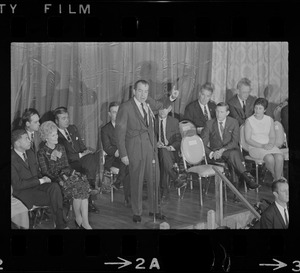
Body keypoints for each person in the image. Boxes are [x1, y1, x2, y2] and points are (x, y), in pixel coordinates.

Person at [115, 79, 179, 223]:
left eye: (146, 91)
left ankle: (154, 210)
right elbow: (119, 133)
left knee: (154, 179)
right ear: (134, 91)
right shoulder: (126, 107)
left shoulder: (148, 102)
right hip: (134, 149)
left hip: (151, 148)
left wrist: (172, 97)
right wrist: (123, 154)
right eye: (140, 91)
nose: (143, 94)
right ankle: (137, 212)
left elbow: (162, 104)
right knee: (136, 180)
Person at [37, 121, 92, 229]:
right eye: (53, 135)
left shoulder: (61, 147)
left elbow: (67, 166)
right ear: (46, 138)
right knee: (78, 189)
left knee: (83, 186)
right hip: (55, 181)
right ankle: (79, 219)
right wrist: (61, 177)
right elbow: (45, 172)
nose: (56, 136)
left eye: (56, 133)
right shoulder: (42, 152)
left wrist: (67, 174)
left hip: (66, 176)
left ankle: (84, 221)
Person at [11, 129, 68, 229]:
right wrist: (41, 181)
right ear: (17, 142)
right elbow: (17, 185)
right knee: (56, 197)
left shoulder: (30, 153)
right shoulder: (11, 158)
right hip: (23, 193)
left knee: (55, 187)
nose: (30, 141)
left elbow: (37, 172)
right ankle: (61, 225)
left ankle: (60, 225)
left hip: (36, 187)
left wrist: (44, 178)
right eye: (26, 139)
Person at [200, 102, 259, 199]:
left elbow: (234, 142)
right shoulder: (209, 124)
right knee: (234, 156)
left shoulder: (233, 122)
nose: (219, 114)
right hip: (216, 155)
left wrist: (222, 150)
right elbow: (202, 143)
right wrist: (211, 153)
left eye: (222, 112)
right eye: (217, 111)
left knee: (232, 156)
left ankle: (237, 192)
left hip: (229, 150)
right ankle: (247, 178)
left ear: (227, 113)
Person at [53, 106, 100, 214]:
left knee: (92, 156)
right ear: (56, 121)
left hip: (80, 159)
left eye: (67, 117)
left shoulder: (72, 128)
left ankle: (90, 185)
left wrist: (85, 151)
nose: (67, 120)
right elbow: (66, 156)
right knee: (84, 168)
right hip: (69, 163)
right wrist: (81, 154)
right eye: (63, 118)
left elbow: (81, 145)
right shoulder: (55, 135)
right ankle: (90, 193)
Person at [244, 98, 284, 181]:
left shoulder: (269, 120)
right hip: (255, 147)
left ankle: (277, 179)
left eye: (260, 108)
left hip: (268, 145)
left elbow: (272, 136)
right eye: (256, 108)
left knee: (279, 157)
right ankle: (277, 178)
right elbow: (248, 139)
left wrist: (270, 144)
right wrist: (262, 145)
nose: (257, 111)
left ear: (265, 110)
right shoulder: (249, 121)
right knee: (269, 158)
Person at [101, 101, 130, 207]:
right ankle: (129, 197)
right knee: (128, 164)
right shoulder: (105, 129)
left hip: (127, 157)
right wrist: (121, 152)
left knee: (129, 163)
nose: (117, 115)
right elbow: (107, 148)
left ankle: (119, 181)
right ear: (109, 114)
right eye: (114, 112)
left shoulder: (128, 126)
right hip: (113, 159)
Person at [156, 105, 186, 202]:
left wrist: (171, 147)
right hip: (156, 151)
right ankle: (175, 178)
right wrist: (156, 143)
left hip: (171, 152)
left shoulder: (174, 121)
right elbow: (147, 138)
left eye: (165, 108)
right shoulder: (152, 120)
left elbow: (178, 140)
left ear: (169, 109)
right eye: (161, 108)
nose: (163, 111)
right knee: (163, 154)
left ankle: (164, 190)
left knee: (165, 156)